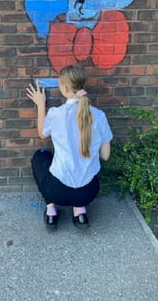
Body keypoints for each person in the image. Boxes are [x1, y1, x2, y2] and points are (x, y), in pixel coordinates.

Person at [26, 64, 113, 230]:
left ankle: (51, 211)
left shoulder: (56, 114)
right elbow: (105, 156)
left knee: (41, 156)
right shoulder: (100, 116)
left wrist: (40, 104)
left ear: (64, 87)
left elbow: (42, 134)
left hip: (57, 191)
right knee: (82, 175)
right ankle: (79, 211)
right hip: (89, 192)